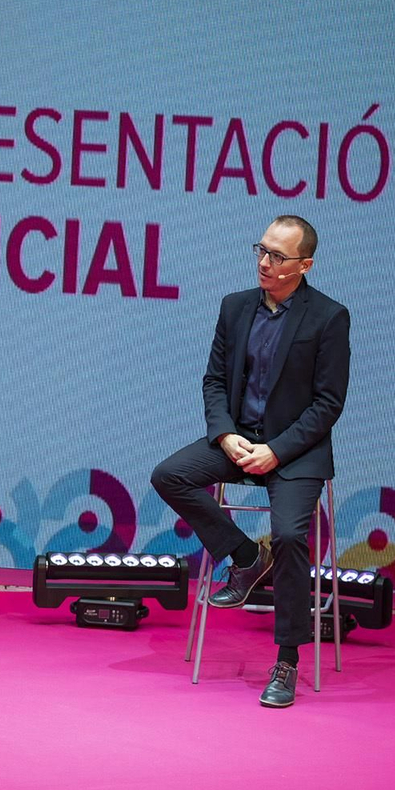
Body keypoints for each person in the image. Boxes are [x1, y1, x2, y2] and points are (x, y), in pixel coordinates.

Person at [150, 215, 350, 708]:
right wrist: (225, 435)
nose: (264, 262)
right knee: (168, 475)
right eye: (261, 250)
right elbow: (215, 380)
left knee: (287, 535)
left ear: (305, 265)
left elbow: (328, 404)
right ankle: (243, 557)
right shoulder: (235, 307)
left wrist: (276, 450)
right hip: (239, 442)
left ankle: (286, 659)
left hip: (294, 452)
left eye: (278, 257)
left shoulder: (329, 317)